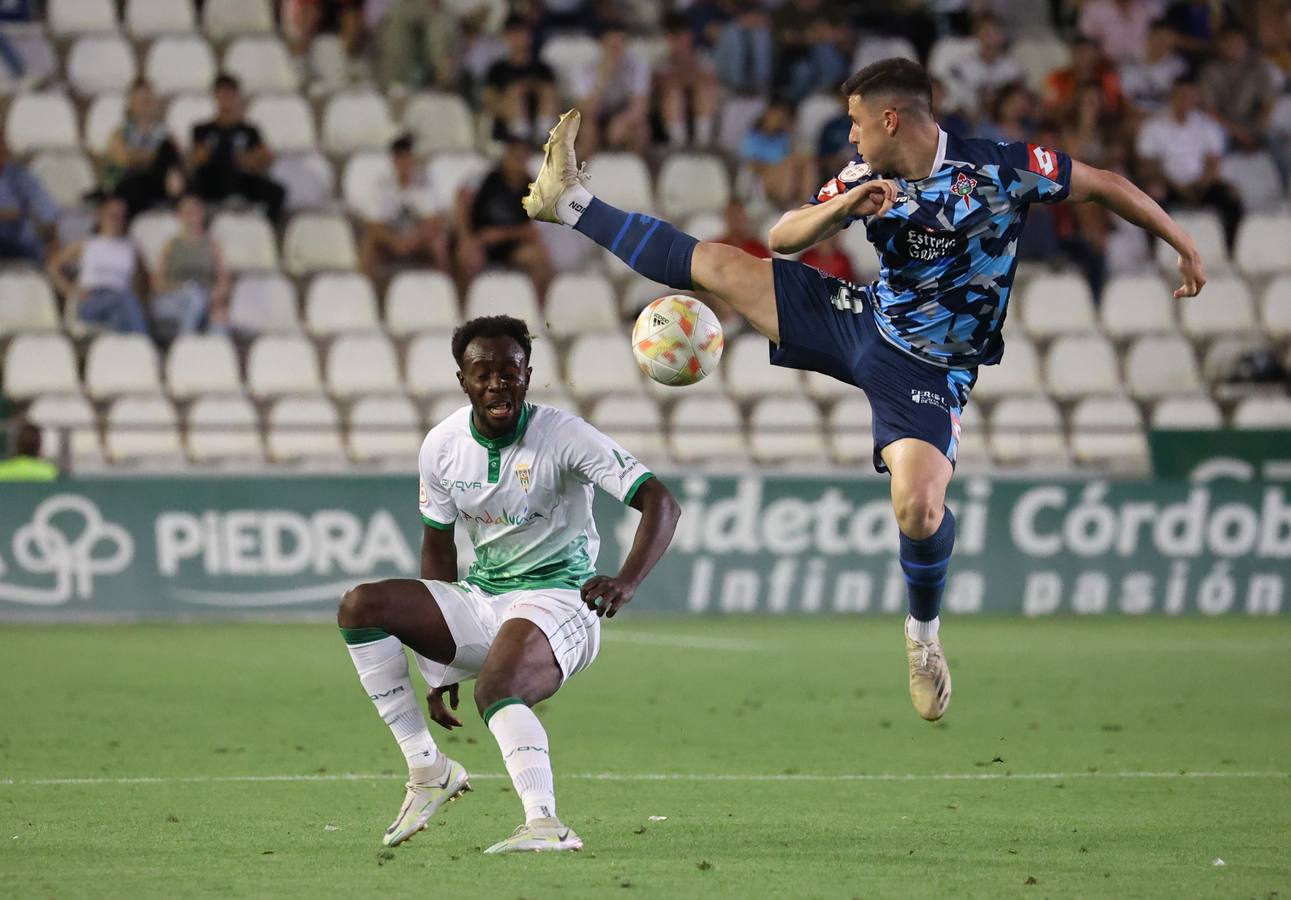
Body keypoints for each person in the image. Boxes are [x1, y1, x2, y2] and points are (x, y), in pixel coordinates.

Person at [523, 58, 1206, 722]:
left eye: (854, 122)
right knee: (725, 267)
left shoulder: (1000, 169)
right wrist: (844, 207)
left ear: (889, 118)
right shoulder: (862, 175)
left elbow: (1104, 183)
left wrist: (1181, 242)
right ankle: (571, 201)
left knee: (917, 507)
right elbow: (782, 236)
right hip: (861, 321)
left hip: (929, 370)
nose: (849, 136)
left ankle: (922, 640)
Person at [336, 314, 680, 851]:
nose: (497, 382)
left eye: (510, 370)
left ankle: (545, 824)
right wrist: (435, 668)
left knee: (497, 687)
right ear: (463, 380)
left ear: (527, 374)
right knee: (360, 605)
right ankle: (428, 770)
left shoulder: (564, 435)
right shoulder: (442, 445)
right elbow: (438, 544)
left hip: (563, 598)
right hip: (483, 600)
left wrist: (627, 581)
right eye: (483, 372)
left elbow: (660, 500)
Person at [1136, 75, 1243, 249]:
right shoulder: (1154, 126)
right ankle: (1154, 252)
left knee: (1231, 196)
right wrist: (1177, 186)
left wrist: (1201, 185)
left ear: (1197, 98)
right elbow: (1148, 166)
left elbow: (1213, 163)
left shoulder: (1208, 125)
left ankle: (1231, 249)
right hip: (1169, 185)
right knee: (1152, 196)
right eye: (1181, 95)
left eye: (1190, 96)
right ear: (1172, 96)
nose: (1185, 100)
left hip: (1201, 186)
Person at [457, 140, 553, 297]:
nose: (517, 162)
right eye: (514, 156)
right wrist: (465, 237)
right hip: (480, 241)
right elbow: (463, 198)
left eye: (522, 158)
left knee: (540, 259)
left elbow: (534, 231)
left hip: (512, 245)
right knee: (466, 257)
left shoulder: (533, 188)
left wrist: (501, 234)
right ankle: (465, 307)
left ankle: (537, 310)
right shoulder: (487, 178)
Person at [189, 74, 286, 223]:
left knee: (277, 192)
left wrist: (249, 159)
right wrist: (236, 156)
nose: (226, 100)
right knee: (194, 183)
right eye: (222, 95)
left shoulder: (250, 130)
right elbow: (198, 157)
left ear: (237, 97)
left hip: (242, 180)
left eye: (230, 95)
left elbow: (265, 157)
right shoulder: (202, 129)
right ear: (215, 97)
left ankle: (266, 229)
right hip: (212, 180)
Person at [47, 197, 149, 334]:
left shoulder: (131, 247)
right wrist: (70, 290)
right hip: (93, 298)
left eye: (121, 217)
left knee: (119, 316)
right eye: (112, 216)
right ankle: (143, 344)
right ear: (101, 217)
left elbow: (143, 279)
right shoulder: (88, 244)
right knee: (125, 300)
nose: (117, 221)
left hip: (122, 299)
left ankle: (122, 350)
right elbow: (53, 266)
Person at [358, 134, 450, 283]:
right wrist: (393, 240)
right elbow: (371, 223)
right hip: (390, 242)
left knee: (438, 242)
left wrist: (414, 238)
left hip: (417, 241)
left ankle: (442, 290)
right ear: (394, 161)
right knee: (369, 244)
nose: (405, 164)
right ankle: (364, 293)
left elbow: (435, 220)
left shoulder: (424, 182)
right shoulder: (382, 184)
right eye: (400, 159)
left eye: (408, 158)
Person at [151, 194, 231, 336]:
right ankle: (185, 343)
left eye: (194, 212)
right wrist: (183, 287)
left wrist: (215, 298)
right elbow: (158, 283)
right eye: (186, 212)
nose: (190, 217)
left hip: (205, 299)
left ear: (202, 214)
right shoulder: (170, 245)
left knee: (218, 318)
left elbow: (223, 279)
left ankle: (213, 354)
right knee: (192, 295)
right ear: (179, 216)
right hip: (172, 299)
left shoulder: (212, 245)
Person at [106, 79, 183, 219]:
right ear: (131, 102)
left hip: (158, 185)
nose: (145, 104)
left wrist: (139, 156)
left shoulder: (167, 135)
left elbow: (174, 162)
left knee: (168, 152)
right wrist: (154, 156)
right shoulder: (120, 133)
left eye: (148, 99)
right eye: (140, 99)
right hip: (130, 185)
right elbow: (124, 159)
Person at [574, 23, 650, 154]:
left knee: (640, 127)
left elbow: (640, 107)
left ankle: (635, 168)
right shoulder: (585, 69)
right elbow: (586, 110)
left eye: (621, 46)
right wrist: (604, 77)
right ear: (602, 45)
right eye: (613, 47)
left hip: (623, 115)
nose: (617, 52)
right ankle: (586, 168)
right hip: (597, 115)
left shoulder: (637, 66)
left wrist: (622, 121)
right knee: (587, 127)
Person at [483, 16, 558, 145]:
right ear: (506, 38)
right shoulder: (497, 69)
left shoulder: (543, 69)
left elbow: (555, 100)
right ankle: (521, 136)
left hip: (538, 120)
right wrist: (512, 97)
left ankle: (543, 135)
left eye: (522, 34)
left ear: (530, 37)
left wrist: (533, 88)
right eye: (513, 35)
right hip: (507, 127)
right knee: (514, 92)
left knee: (547, 91)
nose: (518, 39)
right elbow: (489, 103)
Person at [656, 11, 719, 148]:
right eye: (678, 38)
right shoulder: (662, 57)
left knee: (704, 90)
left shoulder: (702, 55)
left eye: (685, 36)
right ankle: (678, 143)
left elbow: (709, 80)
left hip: (698, 103)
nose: (683, 41)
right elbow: (663, 82)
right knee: (673, 93)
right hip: (669, 106)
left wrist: (685, 72)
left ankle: (703, 142)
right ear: (670, 39)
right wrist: (687, 76)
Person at [0, 133, 58, 264]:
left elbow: (48, 208)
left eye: (2, 145)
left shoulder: (21, 176)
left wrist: (53, 239)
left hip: (21, 244)